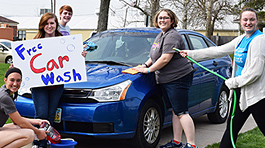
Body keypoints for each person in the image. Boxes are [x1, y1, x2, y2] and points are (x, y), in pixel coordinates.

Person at [179, 7, 265, 148]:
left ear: (257, 21)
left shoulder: (259, 40)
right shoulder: (242, 39)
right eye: (245, 19)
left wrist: (234, 82)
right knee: (231, 130)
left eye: (252, 19)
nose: (248, 22)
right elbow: (217, 50)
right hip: (240, 93)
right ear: (240, 21)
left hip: (257, 96)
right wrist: (190, 54)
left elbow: (255, 72)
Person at [133, 9, 198, 148]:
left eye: (166, 18)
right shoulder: (161, 35)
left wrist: (148, 70)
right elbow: (154, 55)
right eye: (160, 18)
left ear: (172, 20)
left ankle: (192, 145)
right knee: (175, 111)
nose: (162, 20)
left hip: (178, 78)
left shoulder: (172, 36)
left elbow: (165, 58)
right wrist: (144, 65)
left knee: (182, 112)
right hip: (167, 79)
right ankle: (176, 142)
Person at [0, 67, 47, 148]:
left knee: (17, 127)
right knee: (29, 134)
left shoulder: (5, 91)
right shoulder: (5, 97)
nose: (15, 84)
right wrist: (38, 132)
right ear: (5, 80)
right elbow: (20, 122)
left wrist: (38, 121)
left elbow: (16, 121)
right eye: (12, 80)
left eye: (18, 81)